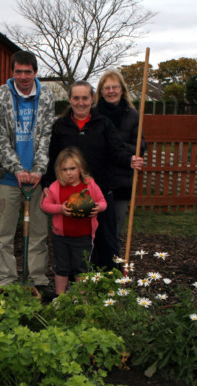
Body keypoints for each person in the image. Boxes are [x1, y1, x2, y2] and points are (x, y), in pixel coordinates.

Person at [42, 81, 142, 271]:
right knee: (74, 242)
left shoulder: (103, 123)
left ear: (92, 99)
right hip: (70, 192)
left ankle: (108, 281)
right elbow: (53, 158)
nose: (81, 102)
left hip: (100, 190)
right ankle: (76, 283)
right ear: (70, 99)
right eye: (76, 98)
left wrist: (130, 160)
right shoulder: (61, 126)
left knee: (106, 239)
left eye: (85, 98)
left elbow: (117, 150)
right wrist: (47, 183)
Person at [0, 51, 55, 290]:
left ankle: (36, 279)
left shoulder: (46, 96)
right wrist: (16, 168)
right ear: (12, 72)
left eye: (28, 72)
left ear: (35, 72)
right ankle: (6, 280)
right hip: (8, 178)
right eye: (19, 72)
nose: (24, 77)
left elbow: (47, 135)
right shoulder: (1, 96)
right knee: (4, 234)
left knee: (38, 232)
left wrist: (38, 169)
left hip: (37, 179)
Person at [41, 147, 106, 295]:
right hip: (61, 237)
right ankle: (60, 297)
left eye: (72, 168)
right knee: (61, 268)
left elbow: (103, 201)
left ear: (80, 168)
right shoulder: (56, 186)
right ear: (59, 170)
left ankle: (80, 299)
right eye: (64, 169)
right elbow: (45, 205)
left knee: (81, 269)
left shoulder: (89, 185)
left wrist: (98, 207)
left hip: (84, 237)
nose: (68, 173)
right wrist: (60, 209)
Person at [96, 70, 146, 246]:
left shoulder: (132, 115)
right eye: (107, 87)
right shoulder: (94, 115)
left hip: (122, 180)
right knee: (96, 229)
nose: (111, 91)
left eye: (115, 87)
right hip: (98, 179)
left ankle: (113, 270)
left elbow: (140, 146)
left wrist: (116, 147)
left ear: (122, 89)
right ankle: (93, 269)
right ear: (101, 91)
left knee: (116, 230)